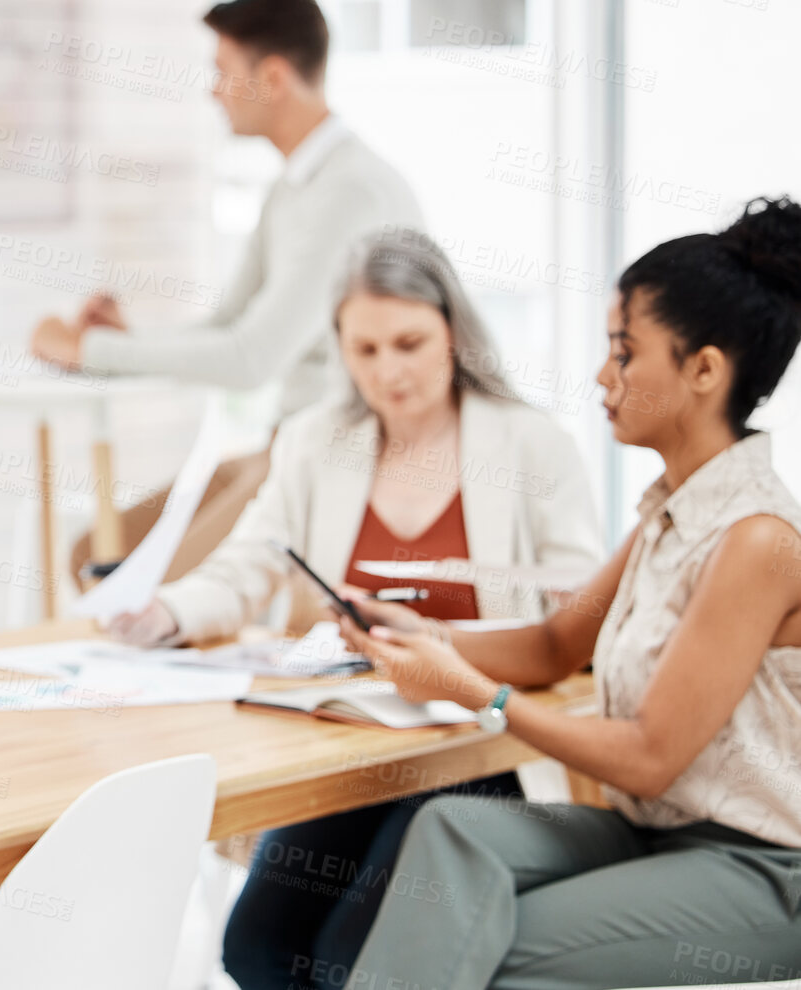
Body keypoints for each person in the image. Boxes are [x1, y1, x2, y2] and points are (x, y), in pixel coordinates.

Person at [110, 229, 602, 990]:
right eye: (364, 350)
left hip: (477, 748)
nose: (389, 372)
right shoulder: (315, 441)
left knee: (346, 956)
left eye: (409, 343)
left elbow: (583, 610)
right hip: (358, 746)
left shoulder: (533, 445)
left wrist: (443, 641)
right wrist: (165, 612)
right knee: (257, 949)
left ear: (454, 330)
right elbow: (251, 562)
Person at [337, 196, 801, 989]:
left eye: (624, 352)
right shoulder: (672, 514)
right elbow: (556, 644)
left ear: (703, 370)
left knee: (488, 950)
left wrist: (475, 695)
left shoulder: (757, 540)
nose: (601, 375)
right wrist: (421, 638)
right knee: (452, 828)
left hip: (760, 866)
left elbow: (651, 759)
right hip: (655, 834)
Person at [29, 0, 425, 588]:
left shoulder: (349, 192)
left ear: (271, 77)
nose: (213, 90)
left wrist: (88, 352)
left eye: (221, 71)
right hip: (285, 447)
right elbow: (228, 325)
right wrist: (122, 342)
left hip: (342, 460)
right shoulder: (294, 188)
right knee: (92, 553)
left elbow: (250, 359)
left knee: (141, 593)